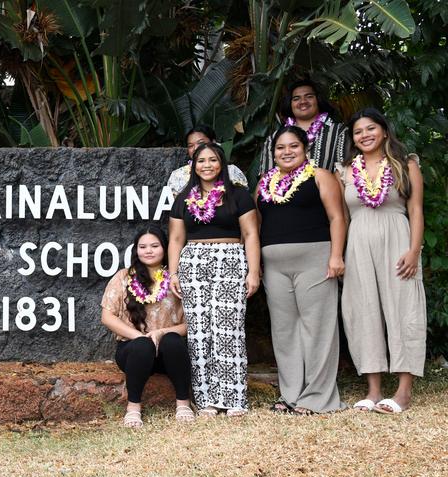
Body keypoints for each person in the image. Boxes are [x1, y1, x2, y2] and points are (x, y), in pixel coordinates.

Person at [339, 108, 426, 414]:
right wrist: (340, 254)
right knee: (363, 310)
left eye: (370, 128)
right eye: (358, 131)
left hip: (398, 240)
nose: (364, 135)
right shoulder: (346, 171)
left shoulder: (406, 165)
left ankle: (403, 391)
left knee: (404, 308)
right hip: (359, 243)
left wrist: (414, 250)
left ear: (385, 131)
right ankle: (373, 389)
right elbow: (343, 217)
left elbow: (416, 211)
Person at [256, 125, 347, 415]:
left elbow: (337, 217)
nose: (286, 152)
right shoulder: (264, 184)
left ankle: (318, 396)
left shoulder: (320, 176)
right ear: (273, 154)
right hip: (274, 265)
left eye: (293, 146)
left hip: (315, 259)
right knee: (284, 330)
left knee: (318, 327)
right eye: (280, 148)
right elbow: (257, 226)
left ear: (305, 148)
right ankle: (291, 394)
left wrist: (336, 256)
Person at [168, 142, 261, 416]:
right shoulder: (183, 197)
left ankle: (233, 397)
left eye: (212, 160)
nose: (206, 165)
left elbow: (252, 235)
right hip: (193, 262)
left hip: (230, 258)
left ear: (222, 164)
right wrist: (173, 273)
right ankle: (206, 398)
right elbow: (175, 238)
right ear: (193, 166)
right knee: (198, 330)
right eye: (201, 161)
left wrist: (253, 271)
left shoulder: (239, 196)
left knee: (228, 327)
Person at [101, 227, 193, 428]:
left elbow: (190, 324)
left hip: (167, 353)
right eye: (143, 247)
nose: (148, 251)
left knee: (173, 341)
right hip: (133, 351)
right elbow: (107, 317)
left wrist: (160, 333)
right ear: (136, 250)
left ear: (165, 248)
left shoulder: (175, 279)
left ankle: (183, 403)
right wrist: (139, 337)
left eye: (154, 246)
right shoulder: (124, 277)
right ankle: (133, 409)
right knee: (142, 346)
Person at [258, 78, 348, 175]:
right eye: (296, 98)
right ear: (290, 104)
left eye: (309, 96)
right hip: (283, 189)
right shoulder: (274, 138)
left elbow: (344, 172)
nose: (303, 101)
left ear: (318, 100)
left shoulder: (339, 131)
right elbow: (266, 178)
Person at [165, 125, 249, 199]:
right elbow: (176, 209)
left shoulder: (231, 171)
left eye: (200, 143)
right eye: (190, 146)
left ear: (213, 143)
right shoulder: (178, 175)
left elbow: (243, 201)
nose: (195, 148)